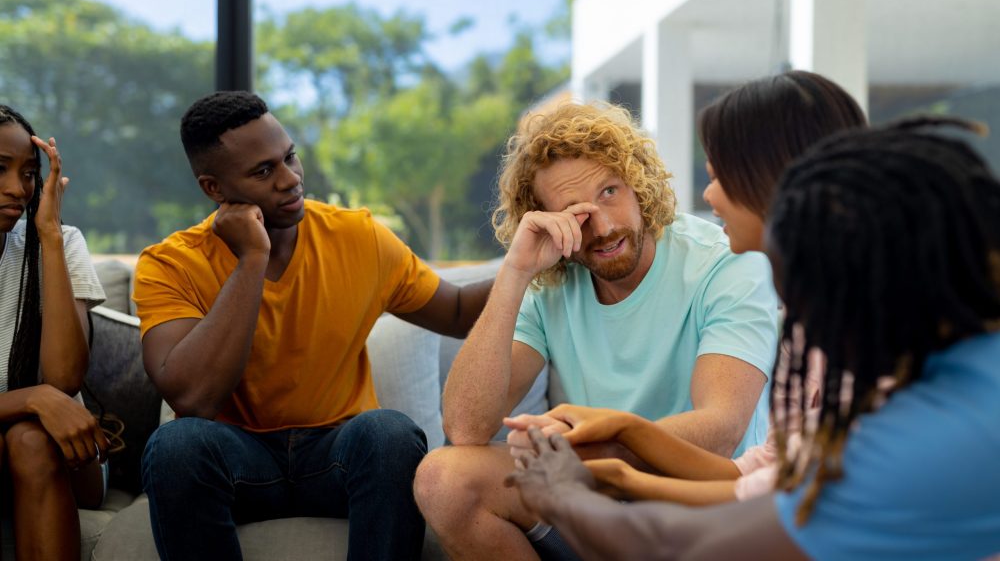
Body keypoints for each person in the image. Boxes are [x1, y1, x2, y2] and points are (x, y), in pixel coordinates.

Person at [505, 117, 1000, 561]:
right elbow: (753, 483)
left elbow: (679, 546)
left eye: (799, 287)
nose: (798, 321)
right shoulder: (953, 367)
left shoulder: (922, 439)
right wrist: (624, 437)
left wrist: (562, 495)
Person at [133, 91, 491, 561]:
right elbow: (194, 398)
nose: (290, 179)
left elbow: (460, 311)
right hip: (239, 460)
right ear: (214, 189)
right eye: (263, 171)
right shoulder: (170, 264)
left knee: (389, 434)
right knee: (175, 446)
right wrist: (252, 260)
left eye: (289, 157)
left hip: (336, 457)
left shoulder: (357, 237)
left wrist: (537, 266)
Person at [414, 102, 780, 560]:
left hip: (702, 510)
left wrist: (584, 450)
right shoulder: (550, 280)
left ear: (638, 183)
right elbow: (466, 427)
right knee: (442, 480)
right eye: (576, 212)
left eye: (609, 192)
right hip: (589, 502)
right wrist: (516, 271)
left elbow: (721, 429)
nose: (603, 227)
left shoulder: (724, 262)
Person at [541, 70, 867, 506]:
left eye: (718, 177)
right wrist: (622, 434)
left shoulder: (878, 329)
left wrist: (618, 478)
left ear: (775, 180)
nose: (709, 197)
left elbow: (784, 502)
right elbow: (758, 472)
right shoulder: (808, 322)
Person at [0, 104, 109, 560]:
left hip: (61, 450)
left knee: (29, 438)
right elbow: (46, 394)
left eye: (29, 172)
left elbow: (63, 378)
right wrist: (31, 397)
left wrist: (48, 236)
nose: (18, 188)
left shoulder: (61, 241)